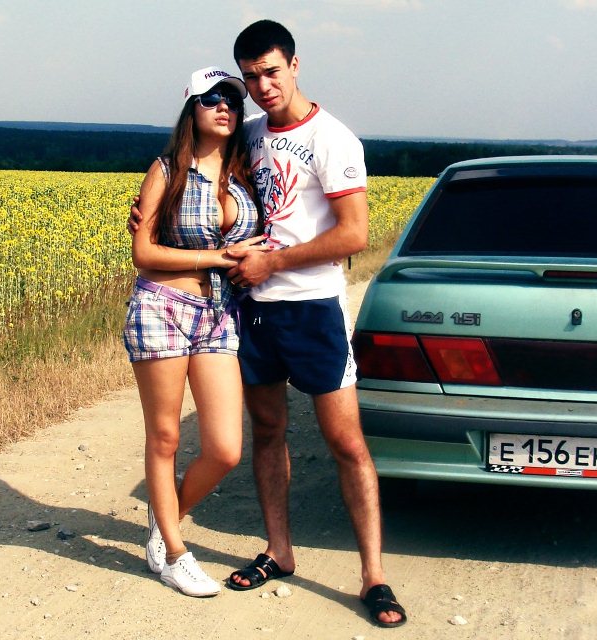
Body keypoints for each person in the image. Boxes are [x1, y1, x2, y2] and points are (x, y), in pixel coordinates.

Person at [222, 21, 408, 628]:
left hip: (313, 308)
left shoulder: (333, 138)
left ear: (295, 65)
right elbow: (199, 178)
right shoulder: (248, 134)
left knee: (346, 443)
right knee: (267, 431)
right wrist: (149, 211)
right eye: (250, 77)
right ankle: (279, 551)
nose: (262, 86)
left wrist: (273, 263)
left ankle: (373, 575)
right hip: (254, 310)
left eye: (271, 72)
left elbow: (354, 235)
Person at [123, 65, 264, 597]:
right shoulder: (166, 170)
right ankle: (176, 555)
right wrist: (216, 257)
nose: (224, 106)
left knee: (225, 448)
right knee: (164, 436)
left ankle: (164, 522)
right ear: (192, 109)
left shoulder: (246, 174)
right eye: (211, 99)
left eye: (232, 99)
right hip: (163, 305)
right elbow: (143, 252)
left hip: (219, 314)